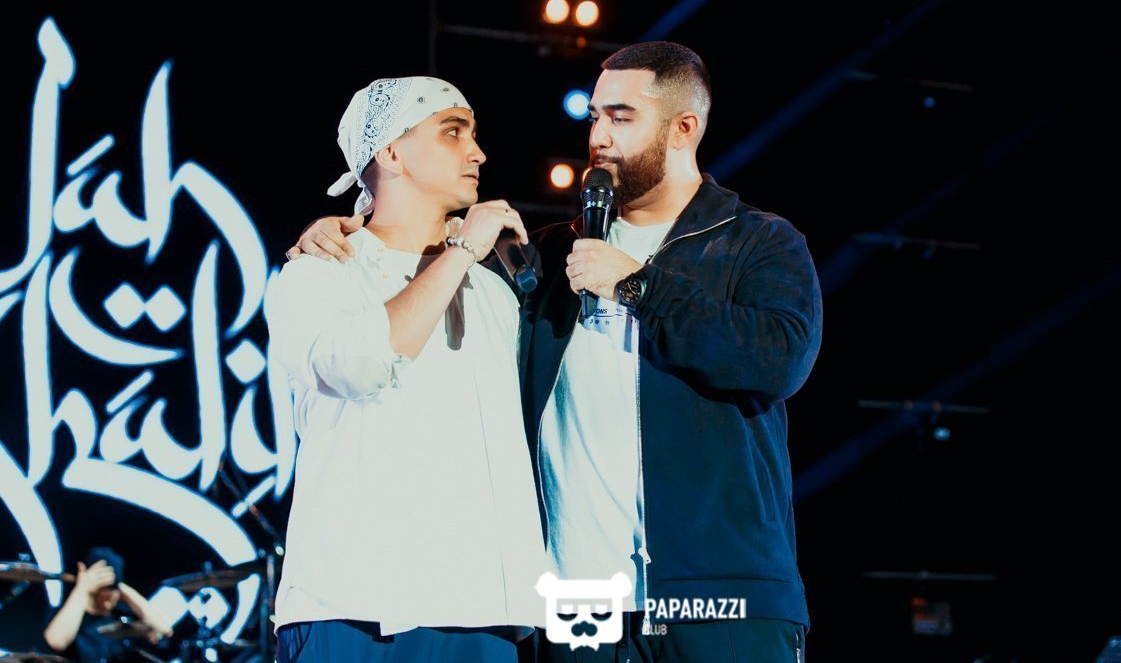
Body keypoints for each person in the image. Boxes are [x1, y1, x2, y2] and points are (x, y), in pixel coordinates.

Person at [291, 45, 823, 662]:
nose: (598, 136)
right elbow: (409, 272)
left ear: (684, 128)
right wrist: (344, 227)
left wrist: (638, 286)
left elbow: (779, 359)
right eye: (594, 117)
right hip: (577, 600)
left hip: (720, 593)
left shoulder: (754, 240)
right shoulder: (542, 258)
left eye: (621, 117)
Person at [267, 76, 547, 662]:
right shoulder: (319, 273)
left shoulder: (496, 293)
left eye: (474, 134)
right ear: (391, 152)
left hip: (483, 608)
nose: (478, 152)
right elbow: (357, 365)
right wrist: (461, 252)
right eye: (453, 132)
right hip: (359, 603)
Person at [43, 547, 173, 661]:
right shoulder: (67, 613)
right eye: (105, 589)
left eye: (114, 590)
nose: (111, 596)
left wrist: (126, 591)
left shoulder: (120, 614)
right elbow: (56, 642)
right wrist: (82, 587)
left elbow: (164, 630)